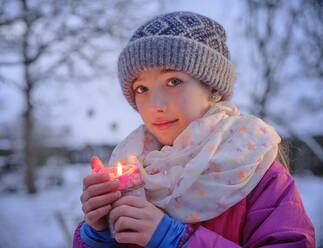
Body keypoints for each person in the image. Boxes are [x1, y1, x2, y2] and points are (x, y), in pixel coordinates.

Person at [73, 11, 315, 248]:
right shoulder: (131, 164)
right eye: (141, 89)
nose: (155, 105)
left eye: (174, 82)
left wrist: (179, 240)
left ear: (214, 89)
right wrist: (97, 235)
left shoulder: (254, 168)